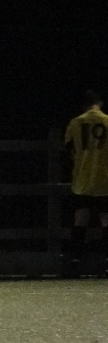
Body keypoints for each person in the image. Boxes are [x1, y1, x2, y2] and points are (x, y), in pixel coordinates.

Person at [63, 90, 108, 276]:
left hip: (82, 178)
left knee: (81, 217)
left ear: (83, 105)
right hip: (105, 178)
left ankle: (75, 261)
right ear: (100, 103)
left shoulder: (75, 123)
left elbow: (69, 148)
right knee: (106, 219)